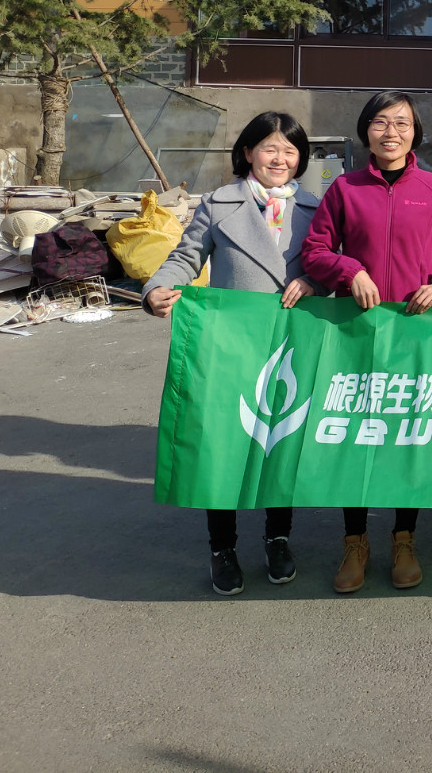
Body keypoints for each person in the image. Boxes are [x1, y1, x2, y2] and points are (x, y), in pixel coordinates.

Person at [144, 111, 320, 596]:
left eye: (290, 151)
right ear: (247, 152)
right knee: (222, 444)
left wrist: (312, 279)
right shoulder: (218, 204)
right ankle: (222, 547)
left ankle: (278, 538)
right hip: (231, 345)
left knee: (280, 440)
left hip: (289, 344)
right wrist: (157, 287)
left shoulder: (315, 208)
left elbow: (329, 261)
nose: (280, 159)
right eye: (270, 148)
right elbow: (186, 256)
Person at [301, 91, 432, 594]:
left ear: (415, 132)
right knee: (355, 436)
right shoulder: (344, 189)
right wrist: (350, 271)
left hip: (415, 333)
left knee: (407, 435)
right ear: (365, 131)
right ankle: (354, 540)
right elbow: (315, 250)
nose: (390, 132)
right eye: (380, 122)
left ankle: (404, 537)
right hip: (356, 333)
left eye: (401, 123)